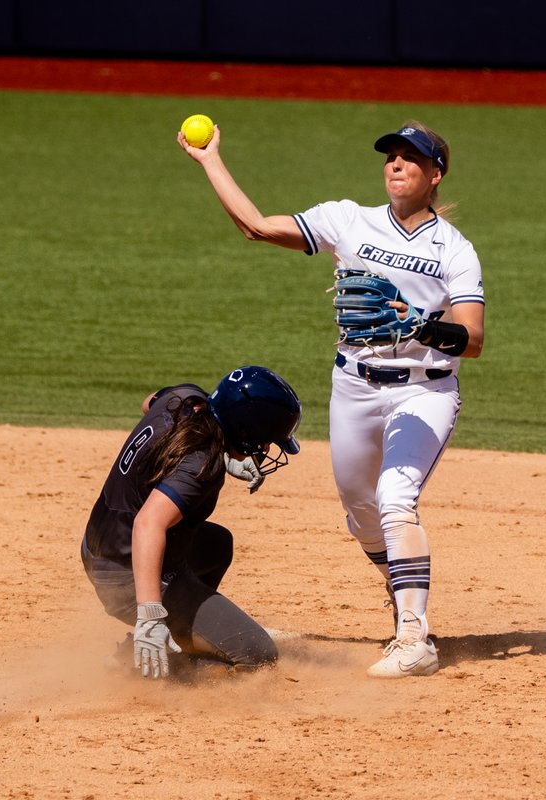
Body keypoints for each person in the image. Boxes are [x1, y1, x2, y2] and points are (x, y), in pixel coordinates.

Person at [177, 121, 484, 678]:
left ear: (434, 175)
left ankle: (416, 638)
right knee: (363, 515)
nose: (396, 165)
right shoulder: (348, 219)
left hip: (423, 389)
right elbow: (256, 227)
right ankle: (402, 602)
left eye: (410, 159)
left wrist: (420, 326)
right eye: (391, 156)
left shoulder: (454, 250)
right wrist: (209, 160)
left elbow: (474, 338)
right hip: (353, 387)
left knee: (396, 497)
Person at [81, 365, 301, 679]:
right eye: (265, 440)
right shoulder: (201, 466)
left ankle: (176, 638)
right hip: (122, 573)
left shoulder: (186, 397)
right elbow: (148, 524)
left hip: (101, 542)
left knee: (215, 544)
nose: (266, 449)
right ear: (243, 430)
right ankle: (161, 656)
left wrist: (223, 453)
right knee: (257, 654)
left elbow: (149, 403)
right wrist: (150, 614)